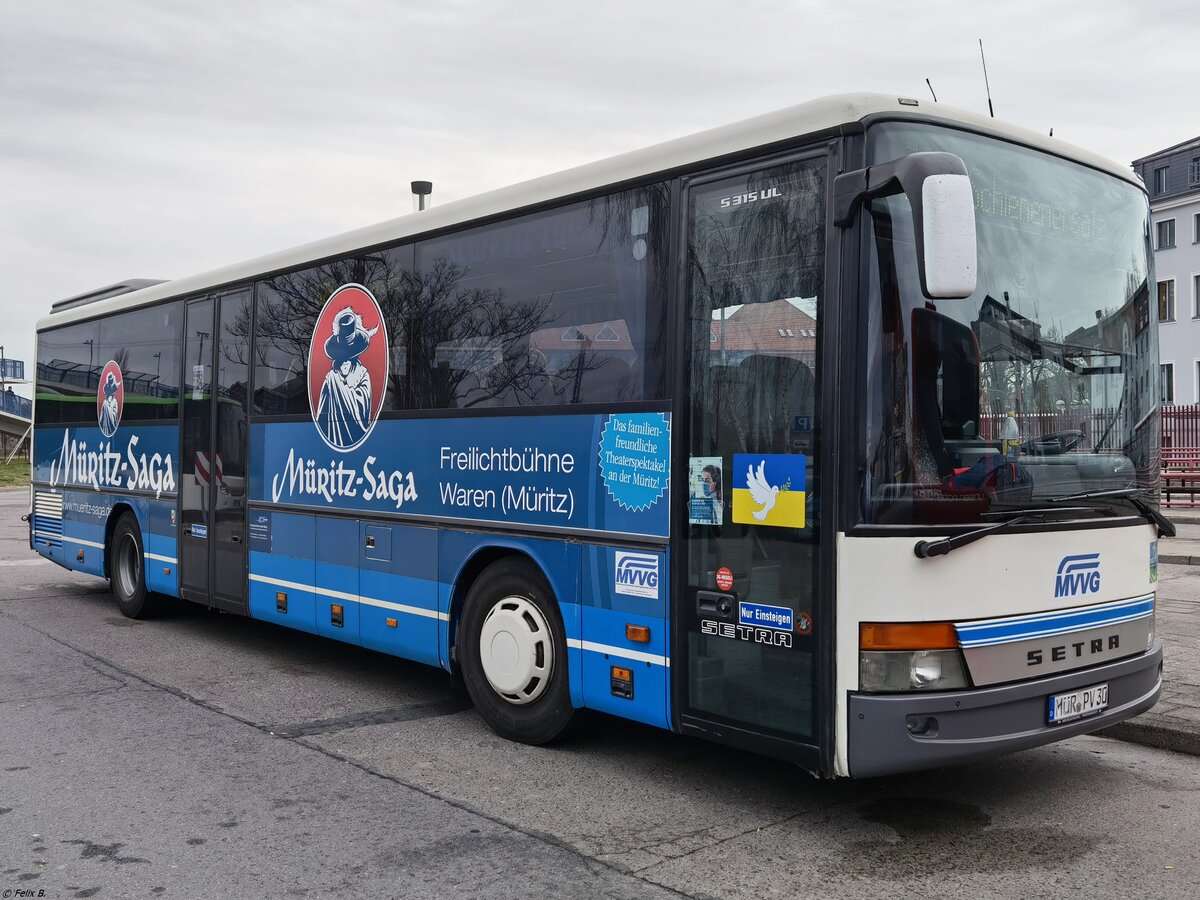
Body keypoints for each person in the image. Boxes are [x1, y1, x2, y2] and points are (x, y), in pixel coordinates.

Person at [315, 307, 378, 449]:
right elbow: (321, 418)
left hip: (358, 439)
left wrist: (342, 386)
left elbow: (363, 409)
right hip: (333, 439)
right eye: (342, 359)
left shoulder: (363, 375)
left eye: (348, 359)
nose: (345, 363)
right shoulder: (330, 378)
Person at [98, 371, 120, 437]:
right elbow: (101, 417)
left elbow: (115, 414)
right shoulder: (105, 402)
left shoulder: (115, 401)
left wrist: (109, 408)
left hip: (111, 426)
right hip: (105, 427)